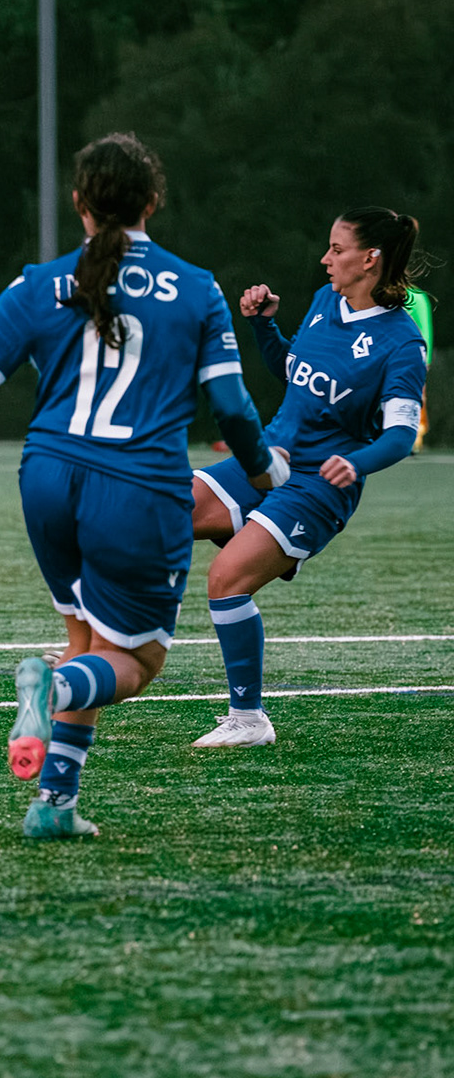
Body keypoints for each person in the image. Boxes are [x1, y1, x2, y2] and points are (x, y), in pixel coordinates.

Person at [0, 133, 284, 839]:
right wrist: (266, 472)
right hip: (140, 489)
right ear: (152, 202)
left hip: (48, 480)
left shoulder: (39, 282)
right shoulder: (198, 288)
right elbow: (235, 409)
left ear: (79, 204)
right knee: (136, 660)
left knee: (86, 638)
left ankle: (54, 804)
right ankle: (51, 689)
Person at [188, 207, 427, 748]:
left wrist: (358, 461)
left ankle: (248, 719)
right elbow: (294, 370)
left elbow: (399, 435)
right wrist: (263, 325)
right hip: (268, 459)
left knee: (226, 579)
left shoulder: (402, 343)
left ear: (371, 259)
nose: (326, 259)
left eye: (337, 250)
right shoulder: (326, 302)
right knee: (163, 513)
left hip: (319, 487)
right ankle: (102, 646)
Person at [404, 283, 433, 452]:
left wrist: (425, 359)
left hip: (413, 359)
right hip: (388, 357)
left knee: (415, 395)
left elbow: (424, 329)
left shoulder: (417, 298)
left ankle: (415, 436)